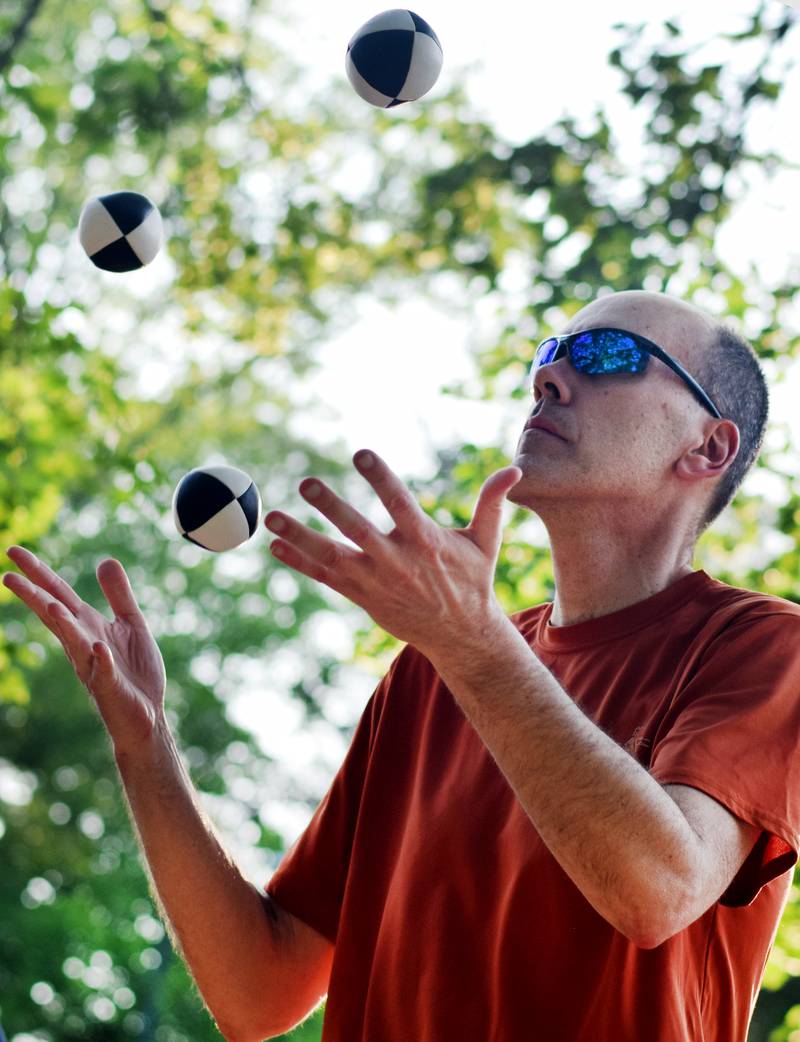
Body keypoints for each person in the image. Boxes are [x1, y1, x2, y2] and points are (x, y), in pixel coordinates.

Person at [4, 288, 800, 1042]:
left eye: (606, 353)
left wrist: (470, 644)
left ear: (709, 445)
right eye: (551, 353)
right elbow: (258, 990)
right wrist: (145, 746)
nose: (550, 376)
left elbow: (657, 889)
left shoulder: (762, 647)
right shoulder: (430, 675)